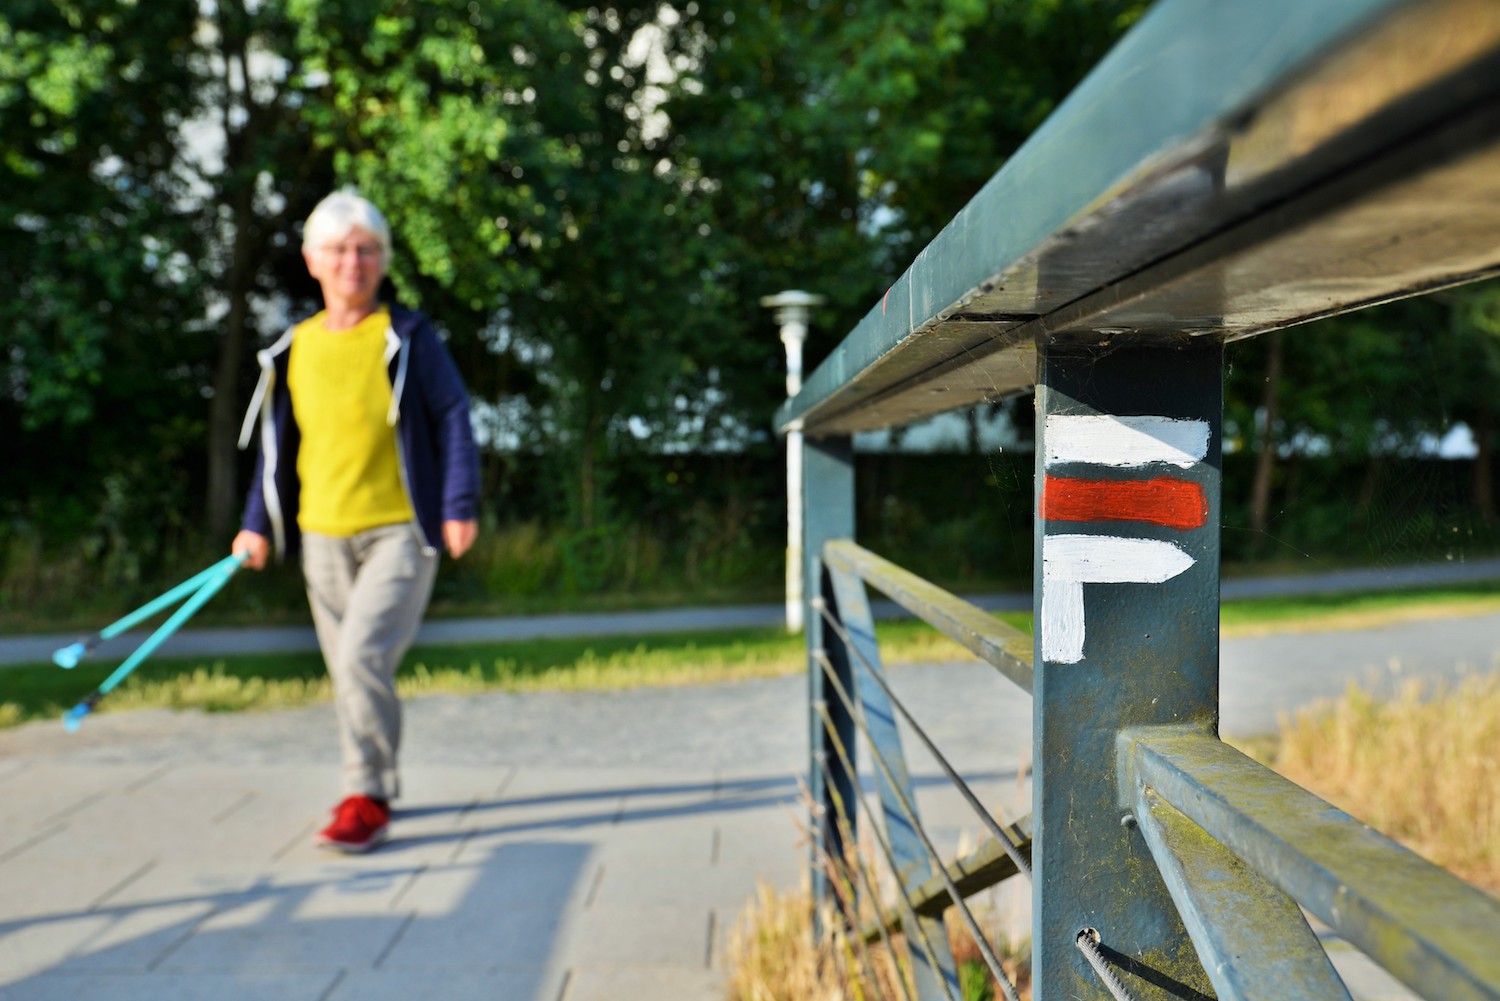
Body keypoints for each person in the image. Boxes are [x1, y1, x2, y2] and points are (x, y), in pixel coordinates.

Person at [232, 190, 480, 853]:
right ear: (313, 261)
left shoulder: (409, 338)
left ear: (383, 262)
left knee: (361, 655)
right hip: (321, 535)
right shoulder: (293, 349)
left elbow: (453, 415)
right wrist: (256, 524)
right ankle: (365, 787)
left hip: (401, 529)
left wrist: (458, 504)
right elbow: (277, 450)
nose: (353, 262)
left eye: (367, 250)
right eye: (339, 250)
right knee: (348, 668)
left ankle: (366, 793)